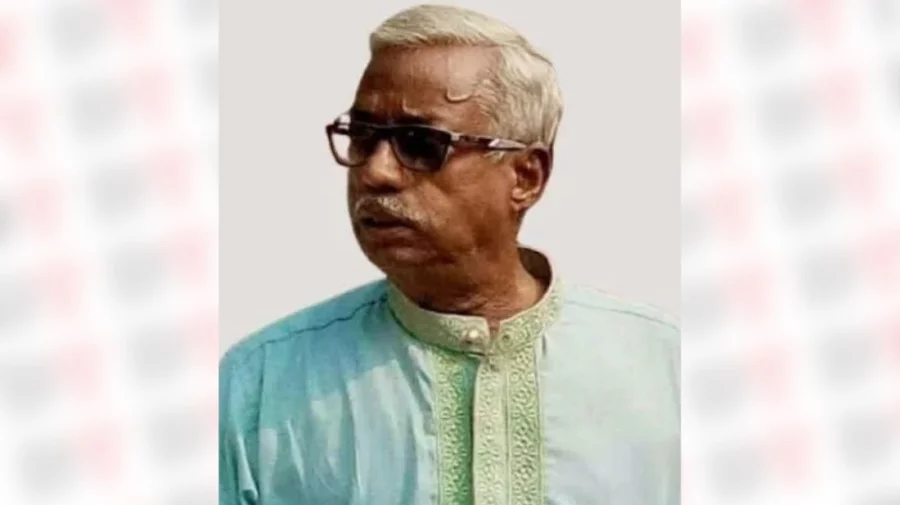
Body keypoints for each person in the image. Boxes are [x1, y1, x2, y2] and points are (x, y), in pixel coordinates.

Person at [219, 4, 679, 504]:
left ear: (525, 176)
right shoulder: (262, 388)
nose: (376, 172)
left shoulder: (665, 369)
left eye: (420, 143)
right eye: (363, 138)